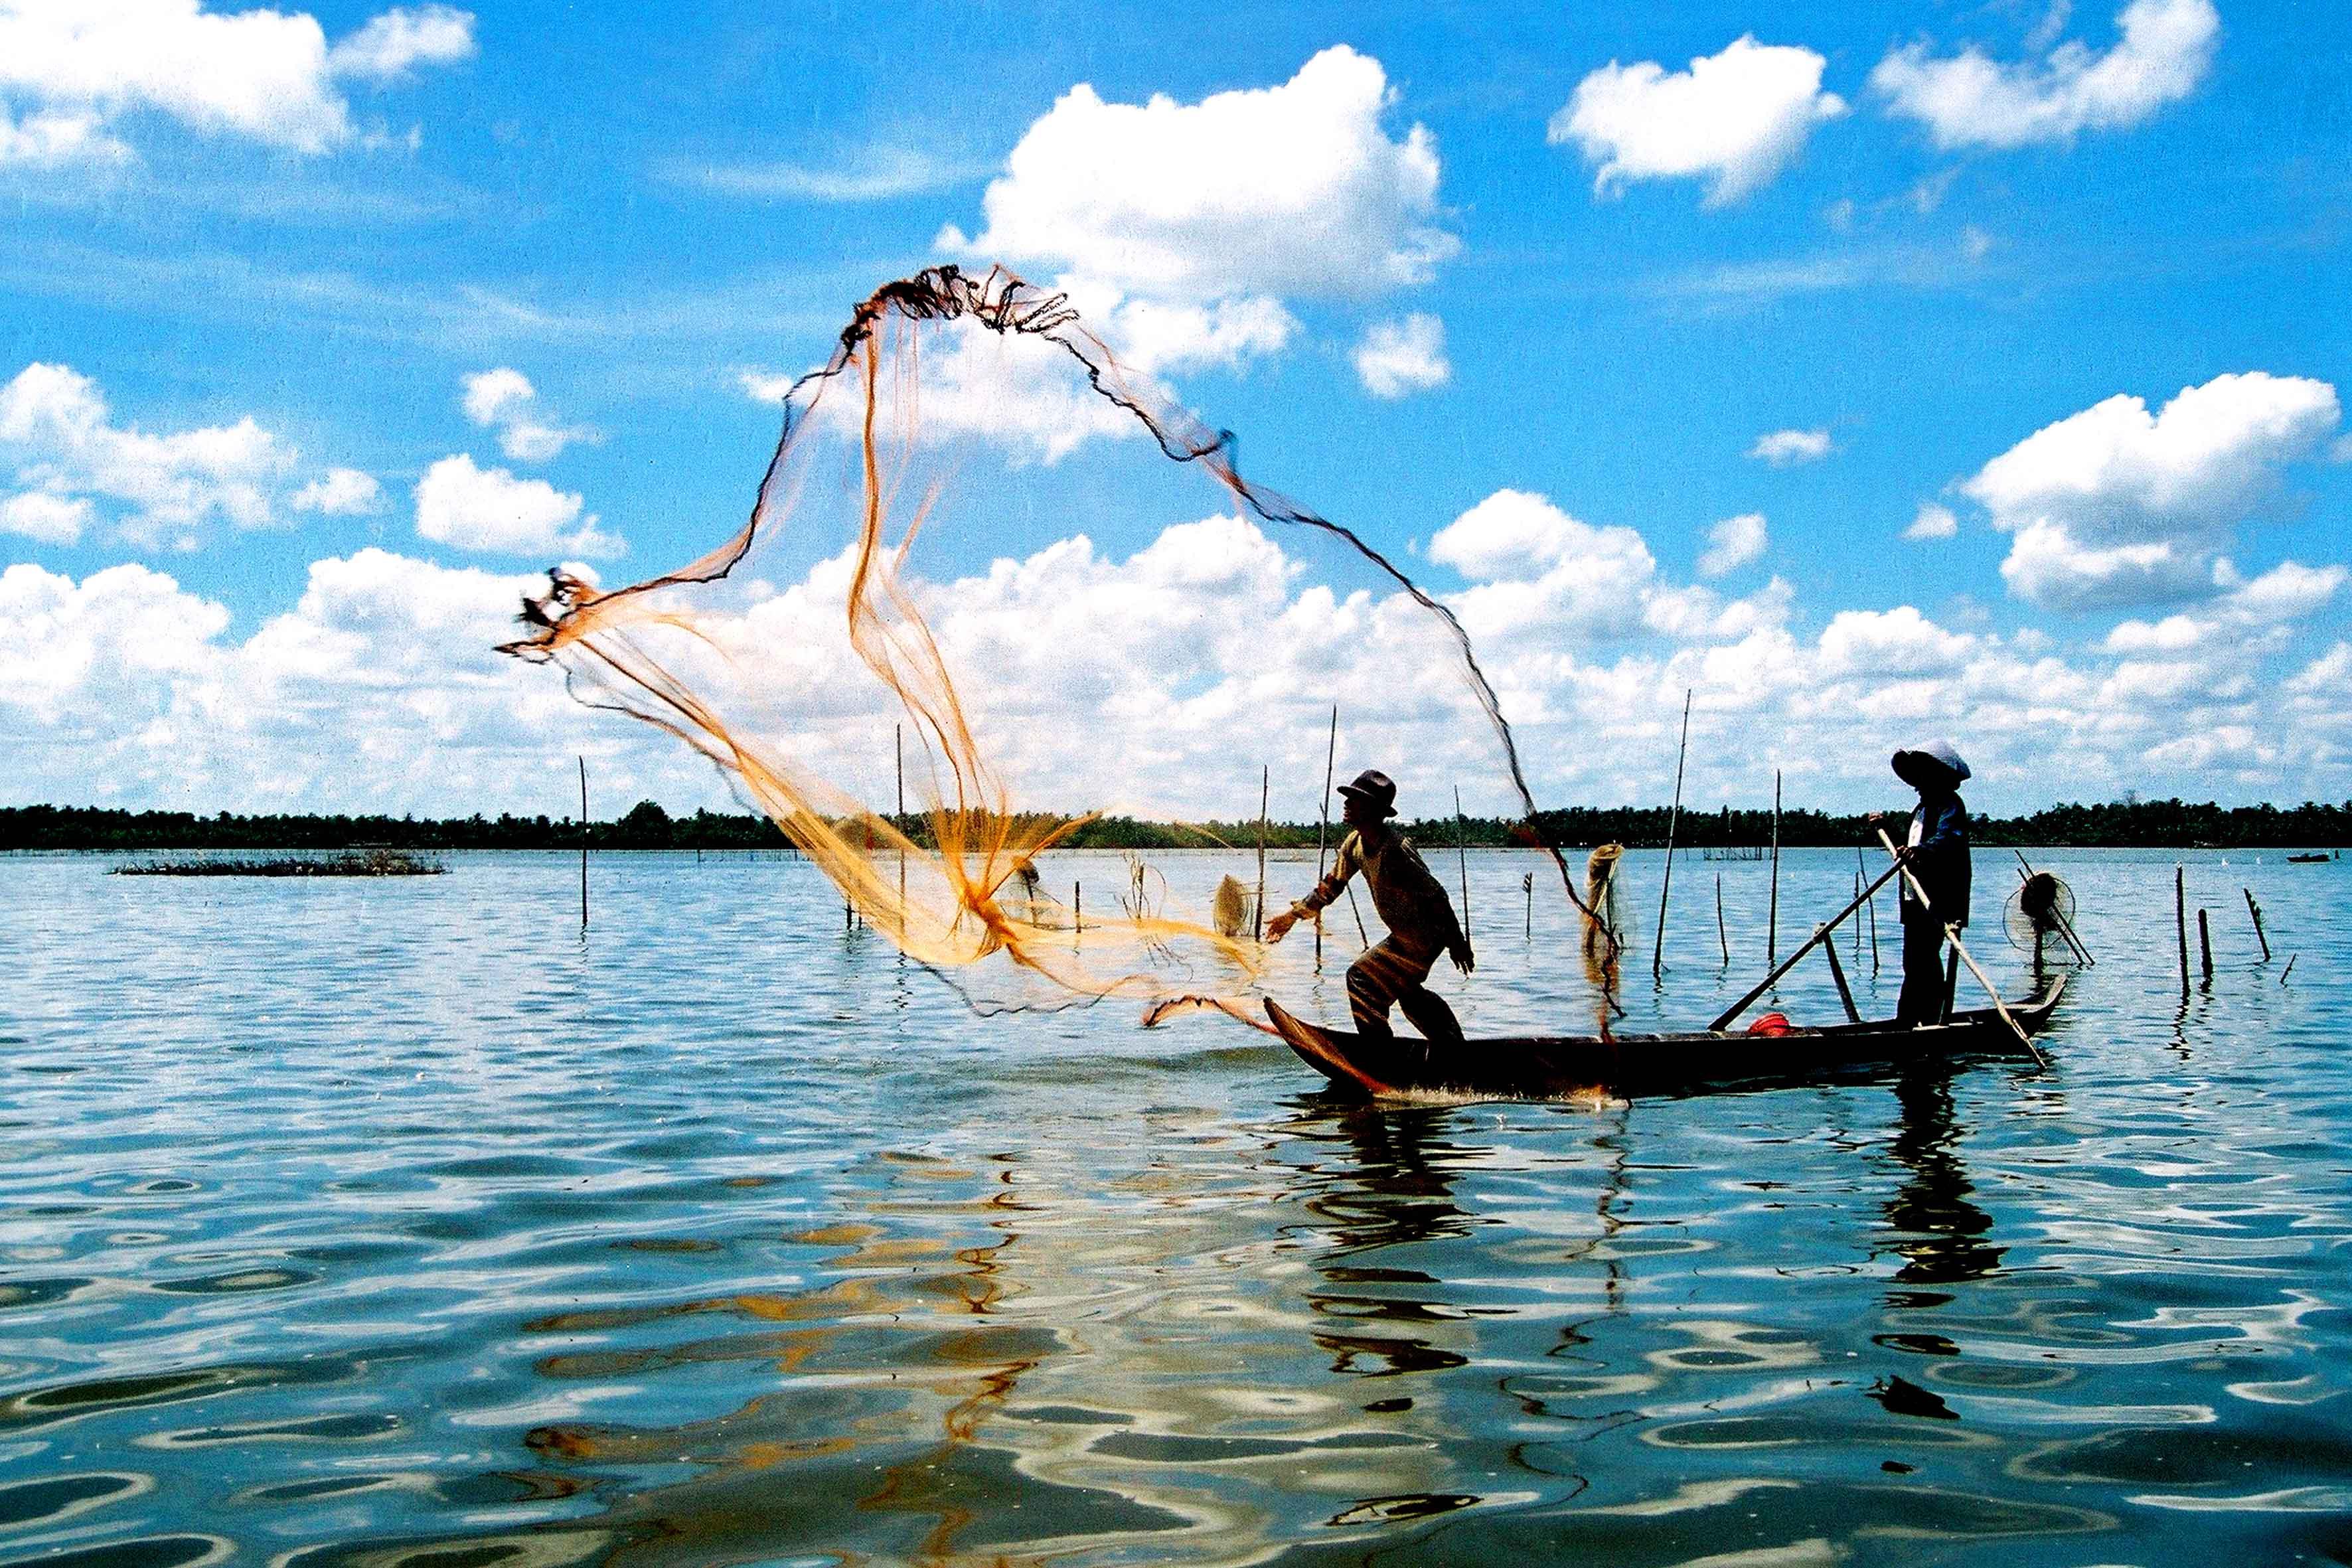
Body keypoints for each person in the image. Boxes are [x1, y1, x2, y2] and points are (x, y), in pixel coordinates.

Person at [1264, 769, 1474, 1046]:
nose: (1347, 804)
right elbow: (1330, 888)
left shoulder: (1396, 850)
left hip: (1428, 935)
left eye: (1356, 799)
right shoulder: (1354, 844)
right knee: (1406, 992)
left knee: (1362, 978)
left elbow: (1437, 897)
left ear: (1374, 810)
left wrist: (1456, 941)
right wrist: (1292, 916)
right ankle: (1450, 1048)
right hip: (1403, 937)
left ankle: (1381, 1051)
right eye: (1348, 798)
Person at [1880, 741, 1973, 1027]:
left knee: (1926, 962)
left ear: (1939, 777)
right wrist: (1886, 828)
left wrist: (1919, 853)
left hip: (1938, 899)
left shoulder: (1951, 807)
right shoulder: (1921, 809)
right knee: (1914, 963)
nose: (1917, 785)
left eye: (1923, 777)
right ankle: (1907, 1021)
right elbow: (1910, 847)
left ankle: (1930, 1021)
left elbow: (1946, 841)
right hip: (1914, 898)